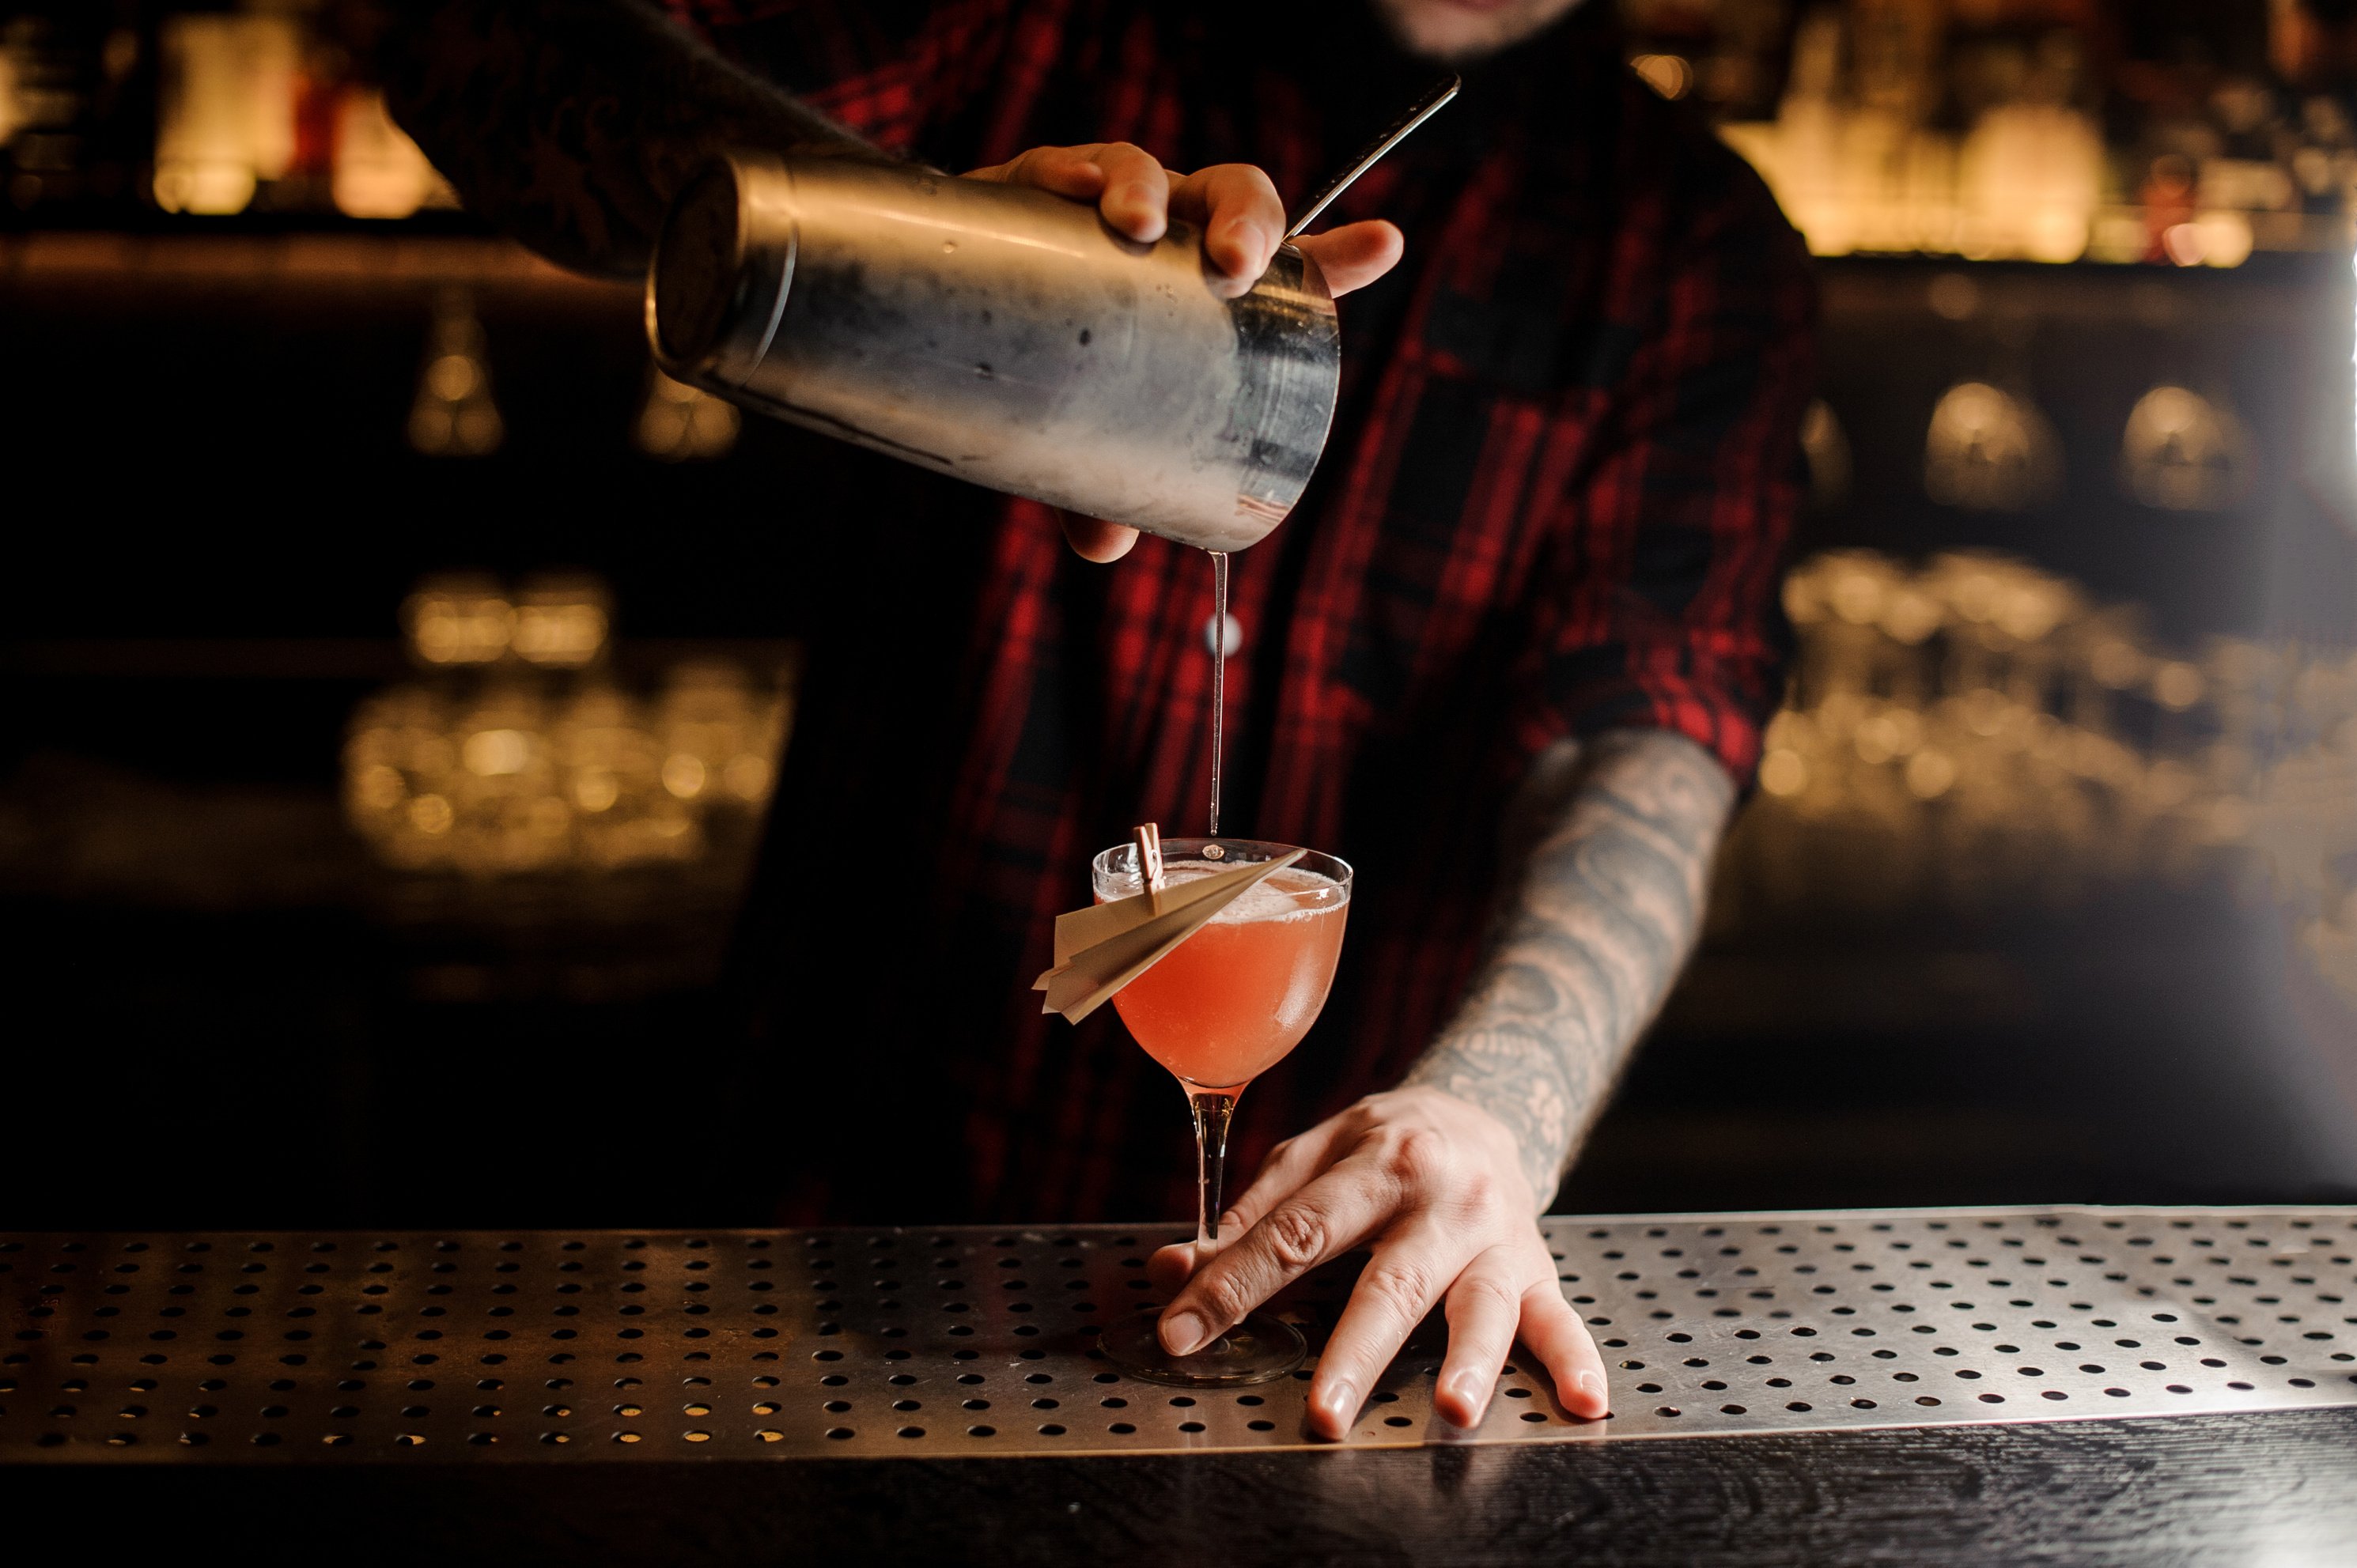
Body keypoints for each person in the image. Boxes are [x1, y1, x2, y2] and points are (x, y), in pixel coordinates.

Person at [384, 0, 1814, 1438]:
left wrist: (1497, 1108)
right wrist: (927, 242)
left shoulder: (1691, 248)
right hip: (835, 1250)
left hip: (1311, 1332)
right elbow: (475, 54)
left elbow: (1649, 738)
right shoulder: (1030, 18)